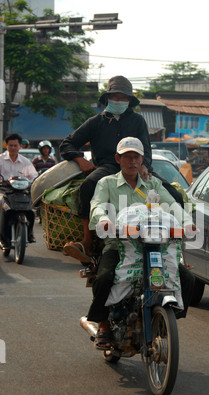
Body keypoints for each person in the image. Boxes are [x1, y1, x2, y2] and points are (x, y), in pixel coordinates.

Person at [87, 136, 195, 350]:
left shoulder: (153, 184)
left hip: (155, 246)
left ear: (142, 159)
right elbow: (97, 205)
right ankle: (103, 326)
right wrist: (104, 219)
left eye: (136, 157)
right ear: (118, 158)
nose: (132, 161)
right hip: (118, 245)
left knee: (187, 278)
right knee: (104, 278)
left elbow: (172, 206)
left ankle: (165, 317)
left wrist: (188, 223)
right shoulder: (106, 183)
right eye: (127, 157)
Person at [59, 75, 183, 262]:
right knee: (87, 186)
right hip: (108, 166)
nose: (118, 101)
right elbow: (67, 144)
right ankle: (87, 240)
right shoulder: (95, 122)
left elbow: (147, 150)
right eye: (115, 97)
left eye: (123, 98)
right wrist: (80, 159)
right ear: (107, 99)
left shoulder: (138, 121)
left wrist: (143, 165)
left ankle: (178, 250)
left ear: (129, 101)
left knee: (175, 194)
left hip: (135, 165)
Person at [0, 133, 38, 246]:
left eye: (15, 145)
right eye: (10, 145)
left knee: (31, 211)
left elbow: (33, 176)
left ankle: (30, 233)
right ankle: (2, 237)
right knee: (2, 208)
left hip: (21, 192)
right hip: (4, 191)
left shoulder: (26, 161)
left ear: (20, 146)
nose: (13, 148)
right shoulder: (1, 159)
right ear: (6, 145)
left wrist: (33, 182)